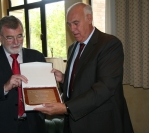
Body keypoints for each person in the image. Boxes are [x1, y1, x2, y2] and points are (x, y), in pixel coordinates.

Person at [34, 2, 134, 133]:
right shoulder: (72, 48)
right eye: (69, 24)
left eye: (76, 23)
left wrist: (66, 107)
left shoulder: (109, 44)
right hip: (73, 123)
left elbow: (105, 88)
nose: (72, 29)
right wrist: (64, 79)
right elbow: (81, 82)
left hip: (100, 123)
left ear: (89, 18)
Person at [0, 15, 46, 133]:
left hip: (33, 126)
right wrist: (4, 88)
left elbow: (45, 90)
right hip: (1, 127)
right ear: (0, 37)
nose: (16, 42)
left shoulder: (36, 56)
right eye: (10, 38)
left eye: (19, 36)